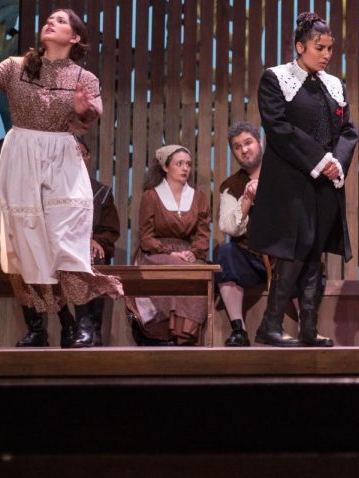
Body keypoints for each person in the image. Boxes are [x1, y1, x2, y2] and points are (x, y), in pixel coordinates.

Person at [0, 8, 122, 349]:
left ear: (74, 38)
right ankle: (38, 325)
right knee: (23, 240)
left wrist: (82, 110)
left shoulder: (83, 77)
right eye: (49, 18)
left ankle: (83, 323)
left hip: (61, 156)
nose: (51, 22)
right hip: (21, 153)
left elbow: (91, 116)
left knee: (67, 238)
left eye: (61, 21)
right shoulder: (16, 67)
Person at [250, 12, 358, 347]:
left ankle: (308, 328)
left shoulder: (334, 84)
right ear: (300, 47)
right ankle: (270, 324)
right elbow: (279, 128)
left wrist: (336, 164)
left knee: (315, 252)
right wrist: (319, 160)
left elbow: (348, 131)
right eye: (319, 47)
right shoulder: (276, 78)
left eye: (329, 48)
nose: (326, 54)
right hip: (291, 181)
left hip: (325, 183)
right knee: (294, 251)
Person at [15, 136, 120, 348]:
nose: (77, 158)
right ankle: (57, 325)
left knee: (91, 259)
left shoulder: (100, 192)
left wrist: (97, 241)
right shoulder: (50, 191)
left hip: (86, 250)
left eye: (81, 153)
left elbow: (110, 229)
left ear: (88, 158)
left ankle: (90, 328)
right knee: (28, 263)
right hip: (55, 248)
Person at [124, 144, 212, 345]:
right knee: (172, 268)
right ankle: (161, 332)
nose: (185, 169)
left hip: (187, 252)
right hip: (155, 252)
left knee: (196, 271)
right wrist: (168, 253)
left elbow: (202, 233)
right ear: (165, 167)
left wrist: (195, 253)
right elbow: (146, 237)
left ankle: (183, 333)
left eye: (188, 164)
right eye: (179, 164)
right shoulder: (151, 196)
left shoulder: (198, 197)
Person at [214, 120, 268, 347]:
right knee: (225, 253)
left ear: (260, 143)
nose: (244, 149)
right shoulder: (231, 186)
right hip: (252, 256)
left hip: (283, 255)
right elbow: (227, 227)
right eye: (237, 146)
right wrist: (247, 199)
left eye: (248, 143)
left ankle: (306, 328)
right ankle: (238, 329)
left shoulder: (283, 173)